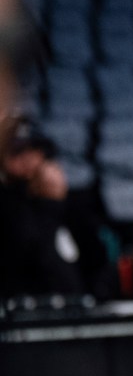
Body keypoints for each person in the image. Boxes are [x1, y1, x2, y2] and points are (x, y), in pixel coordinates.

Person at [0, 117, 108, 300]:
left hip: (75, 307)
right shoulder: (7, 204)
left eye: (34, 150)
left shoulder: (72, 204)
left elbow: (96, 257)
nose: (28, 160)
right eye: (17, 152)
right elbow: (24, 254)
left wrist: (56, 201)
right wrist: (48, 205)